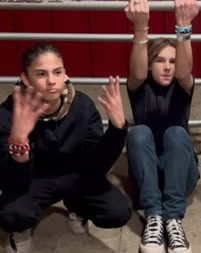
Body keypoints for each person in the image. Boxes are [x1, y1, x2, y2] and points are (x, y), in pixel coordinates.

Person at [0, 43, 131, 253]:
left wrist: (117, 129)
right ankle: (21, 229)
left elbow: (97, 167)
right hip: (32, 179)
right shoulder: (9, 113)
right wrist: (19, 142)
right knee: (11, 215)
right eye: (41, 74)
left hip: (77, 175)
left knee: (118, 211)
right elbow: (7, 179)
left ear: (65, 74)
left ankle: (77, 209)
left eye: (57, 72)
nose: (51, 81)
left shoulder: (82, 106)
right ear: (25, 78)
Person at [125, 0, 199, 253]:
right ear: (149, 64)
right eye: (159, 60)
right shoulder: (139, 85)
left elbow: (182, 72)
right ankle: (155, 217)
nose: (167, 66)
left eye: (172, 60)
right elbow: (135, 71)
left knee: (176, 134)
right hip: (148, 175)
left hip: (180, 173)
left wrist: (184, 26)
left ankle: (173, 219)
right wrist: (141, 27)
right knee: (138, 132)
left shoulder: (183, 84)